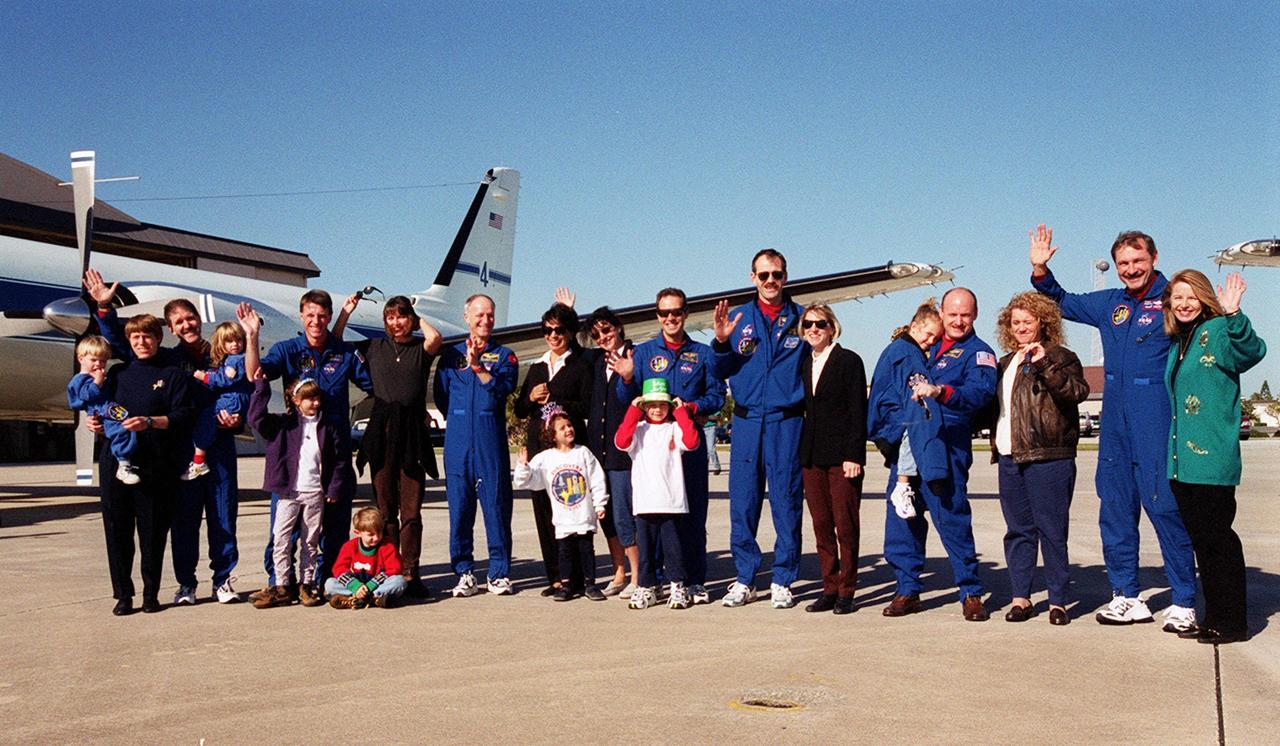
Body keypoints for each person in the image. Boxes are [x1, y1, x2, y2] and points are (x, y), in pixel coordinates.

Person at [1030, 225, 1197, 631]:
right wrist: (1039, 269)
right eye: (1123, 263)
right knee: (1116, 508)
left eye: (1138, 261)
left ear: (1154, 259)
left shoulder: (1175, 299)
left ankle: (1185, 600)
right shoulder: (1110, 304)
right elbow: (1061, 301)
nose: (1130, 269)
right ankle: (1126, 595)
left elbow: (1209, 327)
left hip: (1156, 416)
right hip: (1115, 422)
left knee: (1164, 507)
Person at [85, 269, 243, 605]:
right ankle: (187, 583)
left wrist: (239, 415)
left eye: (190, 318)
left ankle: (223, 580)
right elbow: (124, 344)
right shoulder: (169, 359)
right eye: (179, 322)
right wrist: (104, 310)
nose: (186, 325)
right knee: (184, 520)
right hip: (184, 448)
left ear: (199, 320)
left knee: (223, 516)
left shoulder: (223, 354)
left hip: (219, 444)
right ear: (169, 329)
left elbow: (247, 384)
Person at [242, 291, 373, 590]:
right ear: (301, 316)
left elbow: (375, 385)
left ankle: (326, 580)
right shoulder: (287, 350)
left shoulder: (345, 354)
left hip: (333, 455)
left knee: (334, 525)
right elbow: (255, 376)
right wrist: (252, 337)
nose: (316, 321)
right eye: (310, 315)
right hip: (294, 456)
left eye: (322, 316)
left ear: (329, 317)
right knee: (284, 528)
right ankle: (280, 582)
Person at [878, 288, 996, 621]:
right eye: (953, 314)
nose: (959, 321)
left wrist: (941, 392)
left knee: (952, 519)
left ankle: (971, 591)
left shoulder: (978, 353)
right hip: (908, 446)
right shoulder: (918, 349)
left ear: (975, 316)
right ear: (941, 312)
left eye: (966, 315)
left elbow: (980, 393)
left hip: (946, 446)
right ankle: (906, 588)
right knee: (903, 521)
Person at [1164, 270, 1266, 644]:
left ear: (1205, 298)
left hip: (1212, 460)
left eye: (1192, 297)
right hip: (1182, 462)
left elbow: (1252, 351)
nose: (1185, 304)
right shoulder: (1179, 342)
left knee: (1218, 541)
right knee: (1204, 544)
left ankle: (1233, 622)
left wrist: (1234, 315)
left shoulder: (1219, 330)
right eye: (1177, 298)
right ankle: (1215, 615)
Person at [615, 288, 725, 605]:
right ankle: (655, 581)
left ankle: (693, 580)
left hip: (687, 445)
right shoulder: (645, 353)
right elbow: (628, 400)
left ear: (686, 313)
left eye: (676, 312)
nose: (670, 318)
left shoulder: (703, 354)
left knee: (690, 516)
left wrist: (688, 408)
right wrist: (625, 379)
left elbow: (717, 397)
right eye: (664, 313)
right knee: (654, 518)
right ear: (657, 315)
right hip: (653, 449)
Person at [711, 250, 807, 609]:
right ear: (752, 277)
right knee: (744, 501)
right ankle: (745, 577)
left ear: (785, 276)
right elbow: (719, 370)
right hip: (748, 420)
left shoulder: (802, 319)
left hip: (786, 421)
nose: (770, 281)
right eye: (764, 275)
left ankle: (783, 578)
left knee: (786, 501)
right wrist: (721, 341)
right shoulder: (737, 319)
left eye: (777, 275)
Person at [989, 292, 1090, 626]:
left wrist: (1045, 362)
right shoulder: (1004, 363)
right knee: (1017, 531)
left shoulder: (1061, 356)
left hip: (1049, 456)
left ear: (1043, 323)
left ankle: (1058, 601)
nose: (1021, 328)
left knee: (1051, 530)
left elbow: (1076, 393)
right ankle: (1021, 598)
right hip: (1009, 456)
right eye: (1015, 322)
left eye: (1027, 321)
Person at [334, 294, 442, 598]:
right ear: (384, 322)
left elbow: (436, 337)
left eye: (402, 317)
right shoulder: (374, 347)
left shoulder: (420, 350)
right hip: (381, 431)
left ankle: (411, 571)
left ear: (411, 319)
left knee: (411, 509)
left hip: (412, 434)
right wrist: (346, 312)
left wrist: (415, 315)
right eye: (391, 318)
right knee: (385, 508)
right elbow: (337, 342)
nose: (396, 323)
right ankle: (389, 571)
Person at [88, 314, 195, 615]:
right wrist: (93, 421)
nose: (141, 342)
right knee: (117, 528)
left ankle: (151, 593)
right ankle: (123, 594)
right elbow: (98, 405)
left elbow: (183, 416)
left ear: (158, 338)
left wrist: (150, 422)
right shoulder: (117, 374)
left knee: (152, 531)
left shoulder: (173, 375)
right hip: (117, 460)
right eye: (135, 337)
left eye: (147, 336)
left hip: (155, 462)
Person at [433, 293, 519, 597]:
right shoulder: (449, 356)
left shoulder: (505, 356)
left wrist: (479, 367)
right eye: (479, 315)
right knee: (460, 512)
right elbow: (441, 396)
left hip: (490, 444)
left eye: (490, 315)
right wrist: (458, 421)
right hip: (458, 445)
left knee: (496, 509)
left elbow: (503, 390)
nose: (485, 321)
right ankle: (464, 571)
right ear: (466, 317)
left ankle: (498, 573)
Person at [248, 374, 348, 609]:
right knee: (281, 539)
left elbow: (339, 461)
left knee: (310, 541)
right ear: (295, 400)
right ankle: (282, 584)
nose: (314, 403)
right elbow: (255, 419)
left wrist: (333, 487)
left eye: (317, 398)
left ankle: (307, 583)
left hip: (315, 493)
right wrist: (262, 388)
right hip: (288, 492)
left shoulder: (327, 427)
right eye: (308, 399)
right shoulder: (282, 424)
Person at [514, 302, 595, 595]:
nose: (553, 335)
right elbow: (520, 410)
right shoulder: (536, 367)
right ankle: (555, 577)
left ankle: (577, 577)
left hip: (569, 448)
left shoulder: (580, 365)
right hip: (540, 449)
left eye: (559, 330)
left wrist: (555, 396)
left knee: (572, 509)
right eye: (548, 330)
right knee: (544, 511)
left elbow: (585, 404)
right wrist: (532, 397)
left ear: (570, 332)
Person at [797, 304, 866, 615]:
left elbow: (857, 411)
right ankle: (829, 587)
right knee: (821, 525)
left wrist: (854, 454)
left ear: (832, 327)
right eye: (808, 324)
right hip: (812, 456)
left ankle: (847, 590)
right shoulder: (804, 362)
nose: (814, 329)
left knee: (845, 525)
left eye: (820, 324)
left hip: (842, 457)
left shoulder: (848, 360)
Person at [614, 379, 700, 610]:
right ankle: (646, 585)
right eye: (651, 405)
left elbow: (692, 443)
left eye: (662, 405)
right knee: (647, 549)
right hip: (645, 502)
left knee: (674, 548)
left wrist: (681, 413)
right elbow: (621, 441)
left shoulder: (674, 428)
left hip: (671, 502)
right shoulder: (639, 430)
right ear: (644, 406)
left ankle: (677, 585)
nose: (657, 409)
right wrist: (633, 411)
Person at [514, 410, 610, 602]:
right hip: (563, 517)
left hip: (583, 515)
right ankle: (566, 585)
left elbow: (597, 479)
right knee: (564, 552)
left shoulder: (583, 453)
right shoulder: (546, 458)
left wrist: (600, 503)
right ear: (553, 435)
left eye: (570, 425)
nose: (568, 429)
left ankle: (589, 584)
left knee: (586, 550)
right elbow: (527, 481)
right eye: (562, 428)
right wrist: (523, 467)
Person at [866, 300, 946, 522]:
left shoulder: (900, 348)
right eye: (928, 334)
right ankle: (903, 484)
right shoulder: (908, 353)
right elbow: (915, 393)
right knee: (916, 422)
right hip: (893, 417)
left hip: (886, 414)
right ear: (914, 326)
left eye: (936, 338)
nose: (931, 341)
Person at [580, 305, 637, 596]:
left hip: (622, 452)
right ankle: (618, 572)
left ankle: (638, 575)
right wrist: (566, 312)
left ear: (618, 327)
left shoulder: (634, 356)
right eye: (596, 333)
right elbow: (574, 347)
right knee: (607, 515)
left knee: (625, 514)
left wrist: (628, 376)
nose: (602, 336)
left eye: (606, 329)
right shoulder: (597, 361)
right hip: (599, 451)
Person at [184, 321, 251, 482]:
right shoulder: (233, 359)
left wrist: (205, 377)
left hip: (232, 400)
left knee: (205, 420)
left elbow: (225, 380)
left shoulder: (236, 360)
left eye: (238, 340)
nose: (235, 344)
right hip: (234, 399)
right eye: (229, 341)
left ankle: (199, 460)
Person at [67, 336, 139, 485]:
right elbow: (86, 395)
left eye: (103, 361)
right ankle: (123, 463)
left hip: (110, 407)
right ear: (80, 359)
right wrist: (98, 382)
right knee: (120, 431)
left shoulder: (99, 375)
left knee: (129, 428)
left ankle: (127, 461)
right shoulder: (79, 380)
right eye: (93, 360)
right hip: (102, 411)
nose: (98, 364)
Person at [325, 507, 408, 609]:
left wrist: (370, 586)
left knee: (399, 581)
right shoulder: (349, 546)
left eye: (380, 533)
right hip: (356, 584)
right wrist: (355, 586)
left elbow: (395, 569)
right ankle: (370, 599)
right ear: (358, 533)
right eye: (371, 534)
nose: (377, 538)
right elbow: (339, 569)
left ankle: (362, 598)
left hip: (377, 586)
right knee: (329, 584)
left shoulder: (387, 546)